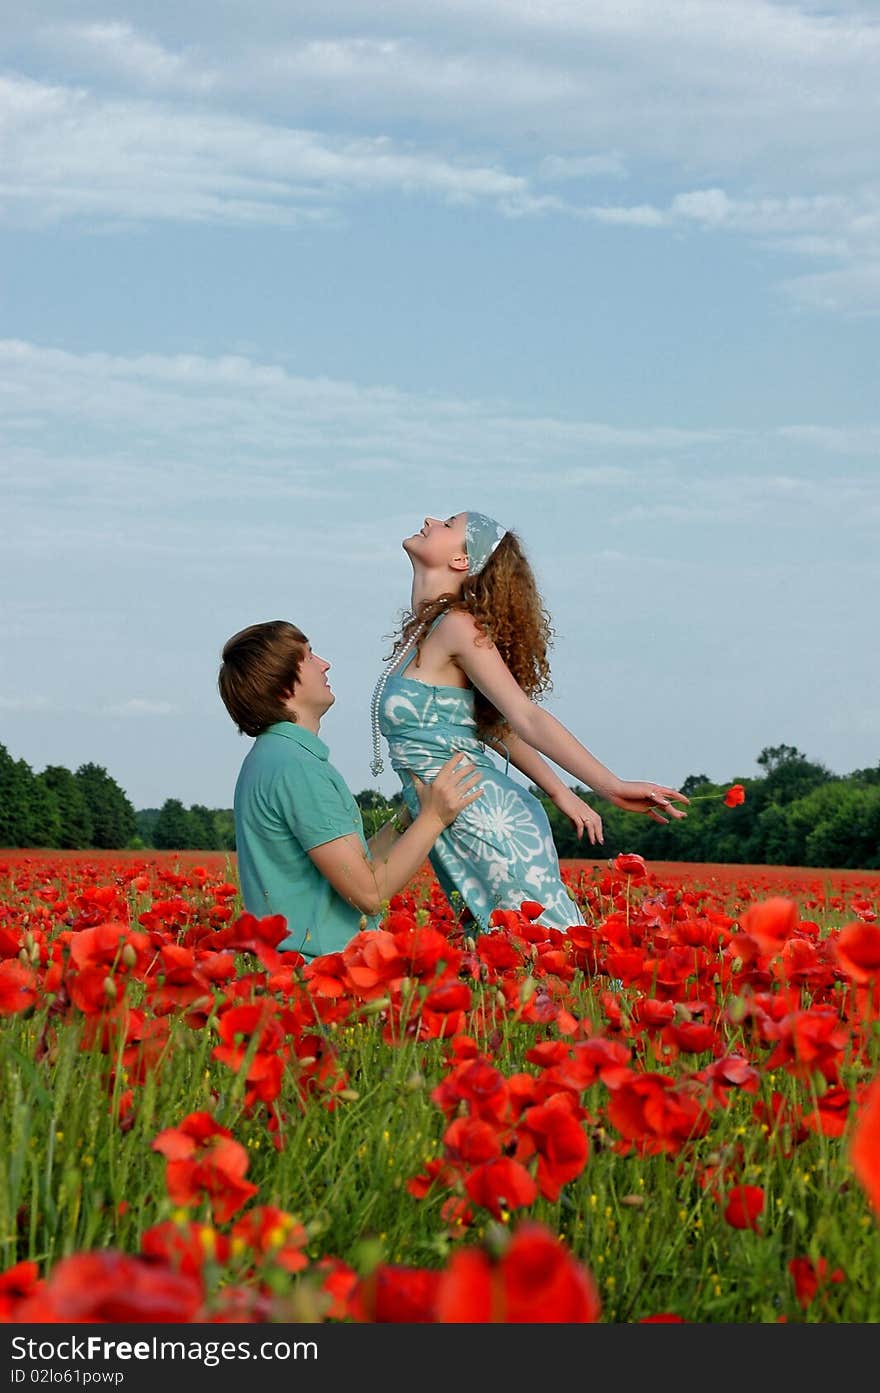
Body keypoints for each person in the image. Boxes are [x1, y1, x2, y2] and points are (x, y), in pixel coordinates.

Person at [369, 512, 689, 934]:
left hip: (480, 814)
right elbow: (492, 724)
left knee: (539, 942)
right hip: (452, 814)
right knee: (503, 943)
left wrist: (609, 785)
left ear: (462, 561)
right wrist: (559, 792)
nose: (430, 520)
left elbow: (525, 716)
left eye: (447, 524)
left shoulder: (457, 626)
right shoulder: (428, 630)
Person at [218, 619, 483, 959]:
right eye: (309, 656)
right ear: (284, 684)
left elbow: (350, 867)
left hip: (289, 967)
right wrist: (434, 818)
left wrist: (407, 817)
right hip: (318, 975)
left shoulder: (271, 757)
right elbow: (368, 893)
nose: (324, 664)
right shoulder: (298, 769)